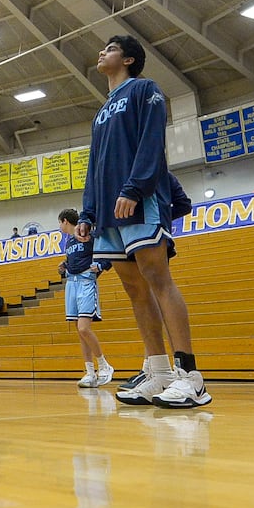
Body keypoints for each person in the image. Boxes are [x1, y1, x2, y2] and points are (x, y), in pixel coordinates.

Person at [78, 35, 210, 408]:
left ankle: (191, 377)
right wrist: (88, 212)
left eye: (111, 48)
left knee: (157, 279)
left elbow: (152, 142)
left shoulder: (145, 90)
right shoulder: (101, 112)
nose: (102, 52)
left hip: (139, 199)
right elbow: (95, 165)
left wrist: (135, 188)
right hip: (107, 214)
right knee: (135, 291)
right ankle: (159, 372)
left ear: (130, 59)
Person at [57, 207, 114, 388]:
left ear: (65, 221)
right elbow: (76, 260)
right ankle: (90, 372)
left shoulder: (88, 233)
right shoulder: (68, 242)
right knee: (80, 332)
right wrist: (64, 265)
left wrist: (101, 265)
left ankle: (104, 365)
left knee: (84, 328)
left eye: (60, 223)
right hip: (71, 284)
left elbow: (108, 253)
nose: (59, 226)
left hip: (86, 282)